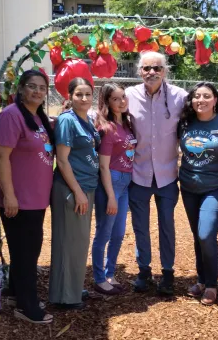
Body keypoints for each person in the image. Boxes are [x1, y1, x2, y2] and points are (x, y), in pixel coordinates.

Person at [0, 69, 54, 324]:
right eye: (32, 86)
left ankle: (15, 292)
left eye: (42, 88)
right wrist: (9, 195)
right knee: (26, 253)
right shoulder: (11, 116)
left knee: (25, 249)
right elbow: (0, 156)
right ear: (20, 89)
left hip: (36, 198)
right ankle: (27, 307)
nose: (37, 91)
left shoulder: (37, 117)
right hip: (19, 199)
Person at [125, 51, 187, 295]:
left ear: (165, 71)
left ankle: (168, 273)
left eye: (157, 68)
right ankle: (144, 271)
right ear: (140, 71)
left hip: (167, 175)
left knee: (167, 225)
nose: (152, 72)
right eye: (147, 68)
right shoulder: (128, 96)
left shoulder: (180, 97)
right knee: (140, 226)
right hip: (138, 174)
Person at [178, 82, 218, 305]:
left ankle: (212, 284)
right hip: (189, 187)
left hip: (216, 186)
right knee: (197, 235)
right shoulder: (184, 123)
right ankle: (202, 280)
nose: (200, 100)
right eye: (196, 96)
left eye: (206, 96)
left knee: (205, 234)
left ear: (215, 100)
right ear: (191, 101)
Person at [49, 77, 100, 309]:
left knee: (78, 242)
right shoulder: (67, 121)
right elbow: (62, 159)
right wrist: (78, 192)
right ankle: (64, 297)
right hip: (71, 189)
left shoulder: (87, 120)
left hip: (85, 187)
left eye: (88, 94)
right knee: (68, 242)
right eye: (79, 94)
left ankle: (73, 287)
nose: (84, 98)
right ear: (69, 96)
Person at [92, 83, 136, 295]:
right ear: (107, 102)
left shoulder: (127, 124)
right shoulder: (106, 128)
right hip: (111, 184)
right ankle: (99, 278)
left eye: (123, 97)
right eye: (116, 99)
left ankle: (110, 273)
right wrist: (110, 196)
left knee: (118, 234)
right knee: (104, 233)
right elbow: (103, 165)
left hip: (125, 183)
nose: (122, 102)